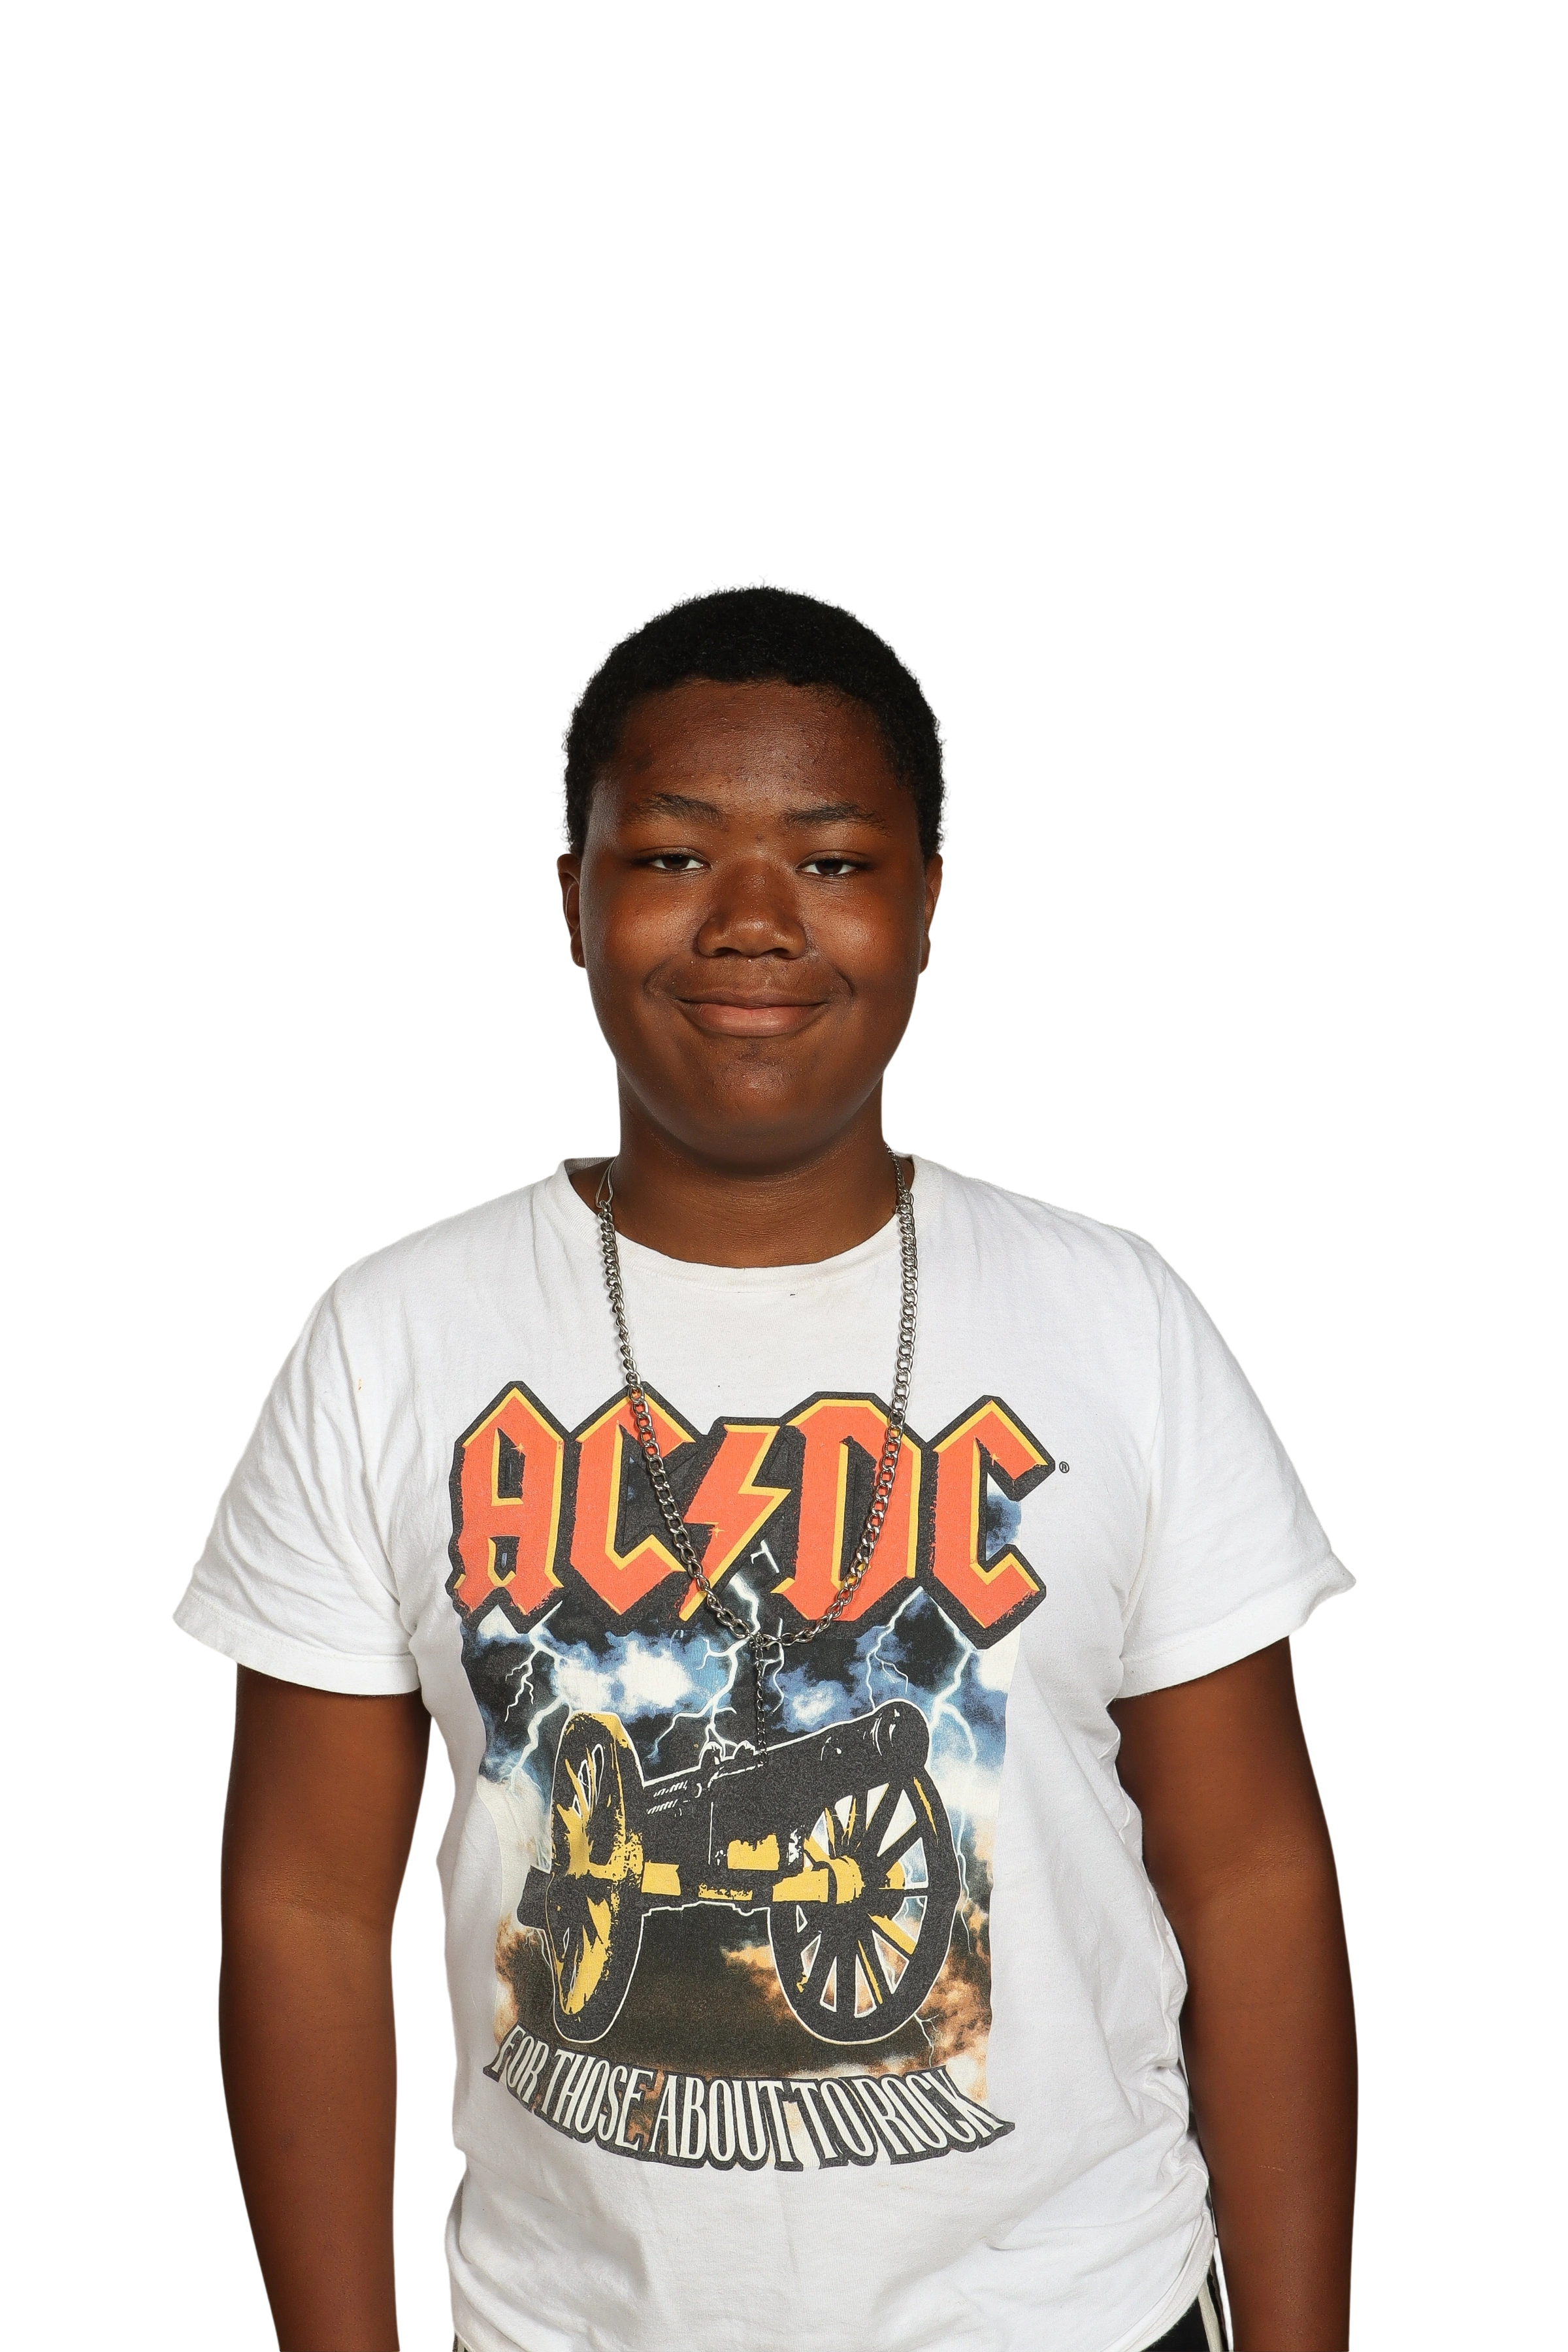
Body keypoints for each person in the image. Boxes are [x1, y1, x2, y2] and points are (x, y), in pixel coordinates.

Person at [174, 576, 1358, 2352]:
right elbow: (305, 1907)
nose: (749, 921)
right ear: (572, 900)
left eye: (830, 858)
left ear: (927, 902)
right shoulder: (393, 1338)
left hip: (1078, 2314)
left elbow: (1252, 1870)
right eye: (670, 855)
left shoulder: (1115, 1319)